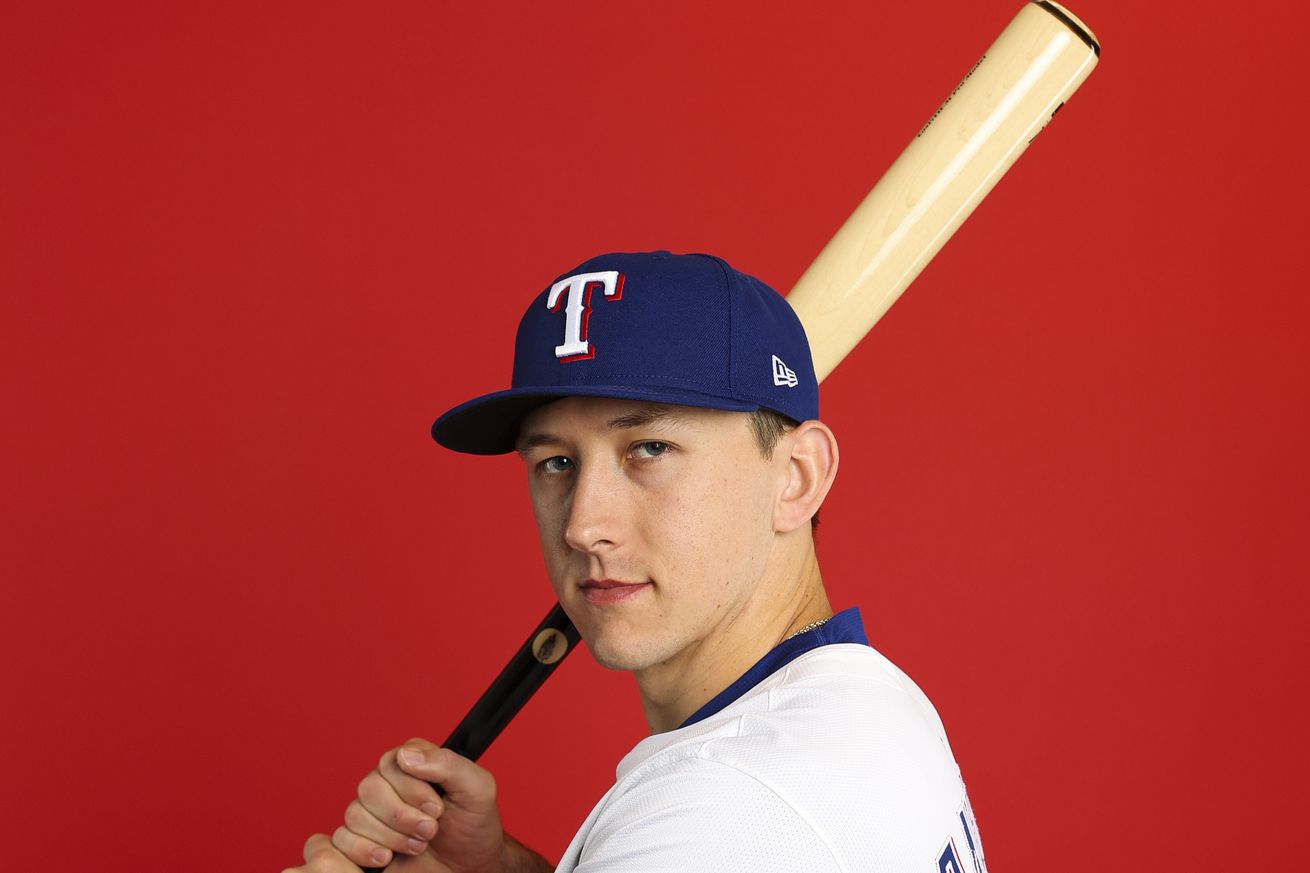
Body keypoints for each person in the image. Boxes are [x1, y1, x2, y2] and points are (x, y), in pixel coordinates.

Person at [284, 251, 987, 873]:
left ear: (797, 476)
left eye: (648, 449)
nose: (585, 525)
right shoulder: (869, 702)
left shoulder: (723, 812)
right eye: (556, 461)